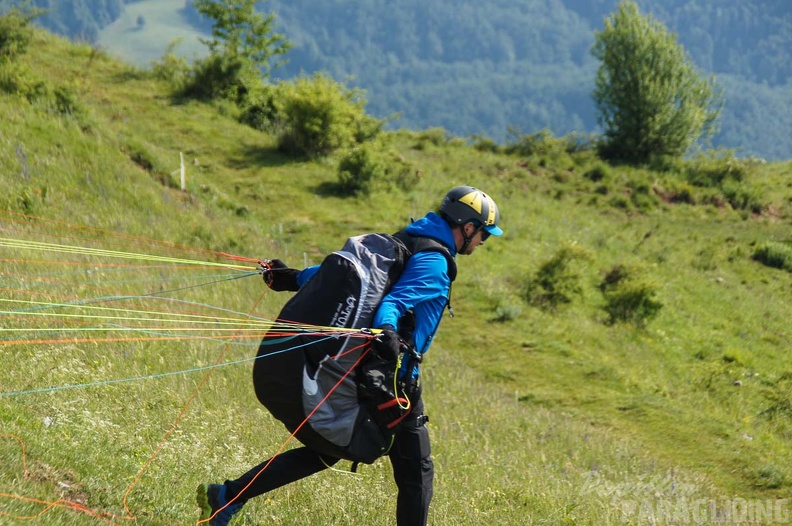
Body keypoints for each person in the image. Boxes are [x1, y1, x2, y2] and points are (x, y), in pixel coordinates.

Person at [197, 186, 503, 526]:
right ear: (468, 227)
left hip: (370, 371)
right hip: (394, 382)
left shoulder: (403, 240)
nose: (482, 243)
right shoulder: (435, 263)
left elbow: (354, 277)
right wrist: (387, 330)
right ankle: (227, 498)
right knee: (417, 472)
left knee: (327, 451)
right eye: (484, 235)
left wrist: (295, 278)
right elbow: (392, 303)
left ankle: (227, 497)